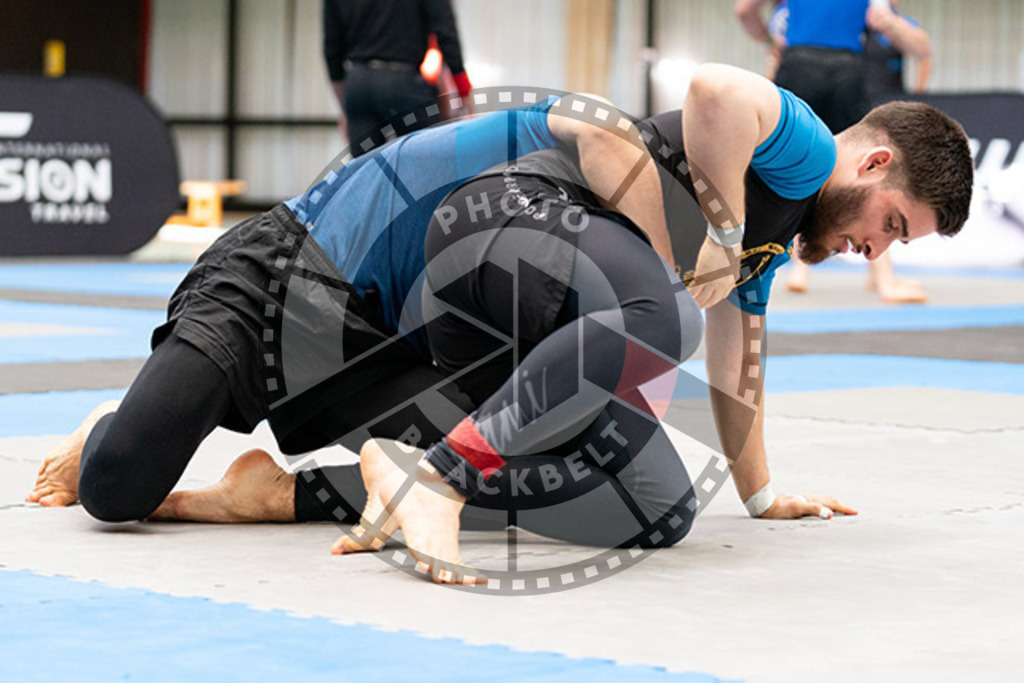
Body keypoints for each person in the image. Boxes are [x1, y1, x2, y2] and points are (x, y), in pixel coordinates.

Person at [29, 65, 973, 585]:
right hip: (291, 268)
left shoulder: (759, 240)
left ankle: (289, 492)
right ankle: (106, 428)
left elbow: (740, 357)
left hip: (403, 336)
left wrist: (761, 494)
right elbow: (712, 94)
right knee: (118, 486)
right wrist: (711, 242)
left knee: (654, 501)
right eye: (893, 225)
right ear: (872, 163)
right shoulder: (790, 151)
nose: (876, 250)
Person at [736, 0, 934, 303]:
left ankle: (797, 267)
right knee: (864, 167)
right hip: (845, 69)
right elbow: (890, 24)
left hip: (798, 64)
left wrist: (770, 41)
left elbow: (744, 10)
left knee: (793, 166)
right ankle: (885, 280)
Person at [323, 0, 472, 154]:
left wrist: (345, 108)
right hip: (403, 82)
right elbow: (446, 33)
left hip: (359, 83)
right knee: (429, 156)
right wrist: (463, 90)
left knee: (366, 165)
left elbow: (332, 47)